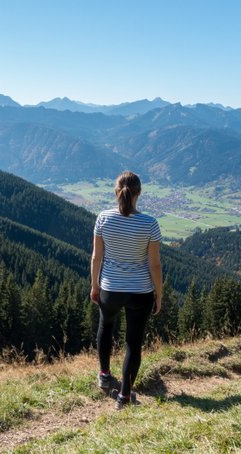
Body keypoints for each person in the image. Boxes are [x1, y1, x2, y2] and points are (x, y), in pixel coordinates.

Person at [90, 170, 163, 410]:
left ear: (116, 192)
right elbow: (154, 264)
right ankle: (124, 396)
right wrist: (158, 293)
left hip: (109, 288)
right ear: (139, 193)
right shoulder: (150, 224)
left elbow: (96, 257)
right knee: (133, 343)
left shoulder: (103, 219)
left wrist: (95, 285)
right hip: (139, 292)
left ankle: (104, 374)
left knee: (105, 326)